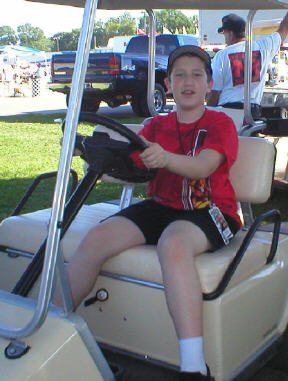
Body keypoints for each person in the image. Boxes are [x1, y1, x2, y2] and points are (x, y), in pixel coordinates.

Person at [53, 45, 241, 381]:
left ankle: (194, 365)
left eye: (196, 75)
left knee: (173, 244)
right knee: (97, 237)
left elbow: (202, 166)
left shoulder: (219, 123)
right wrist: (95, 154)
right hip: (162, 206)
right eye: (179, 75)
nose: (188, 81)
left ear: (209, 84)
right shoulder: (155, 126)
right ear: (167, 84)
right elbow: (130, 164)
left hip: (211, 211)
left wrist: (165, 159)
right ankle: (49, 326)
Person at [207, 12, 288, 119]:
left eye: (225, 34)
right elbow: (283, 29)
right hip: (252, 111)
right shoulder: (263, 47)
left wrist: (208, 113)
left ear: (230, 34)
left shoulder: (221, 55)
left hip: (227, 111)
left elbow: (215, 92)